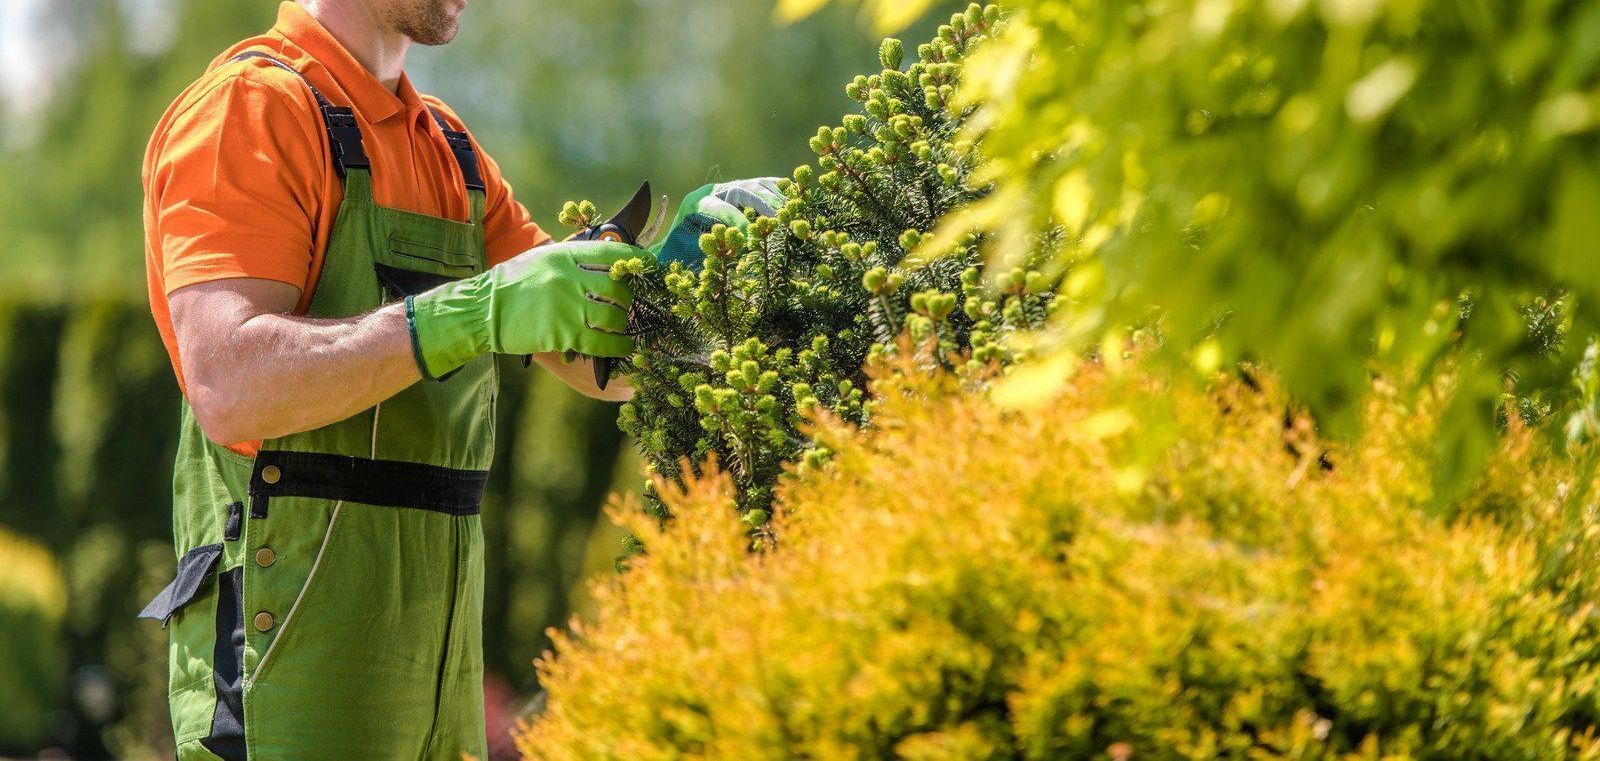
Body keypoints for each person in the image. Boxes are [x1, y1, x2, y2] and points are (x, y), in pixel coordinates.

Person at [137, 0, 778, 757]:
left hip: (435, 686)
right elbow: (230, 380)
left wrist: (688, 289)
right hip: (286, 675)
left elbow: (586, 354)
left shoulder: (448, 148)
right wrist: (465, 316)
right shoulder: (247, 111)